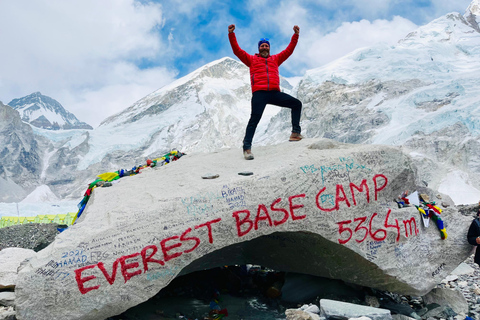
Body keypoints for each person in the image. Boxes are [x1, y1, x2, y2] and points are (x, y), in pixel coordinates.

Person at [228, 24, 303, 160]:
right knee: (254, 120)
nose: (264, 47)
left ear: (269, 48)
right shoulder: (251, 60)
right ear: (259, 48)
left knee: (296, 104)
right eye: (262, 46)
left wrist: (296, 35)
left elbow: (289, 50)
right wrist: (231, 34)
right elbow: (237, 51)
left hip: (274, 93)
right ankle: (247, 148)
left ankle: (295, 133)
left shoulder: (276, 59)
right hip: (259, 93)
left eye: (266, 45)